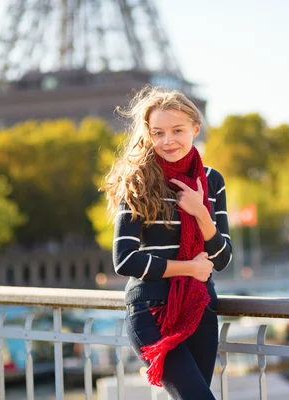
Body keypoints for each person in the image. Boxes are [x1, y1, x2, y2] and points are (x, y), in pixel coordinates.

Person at [102, 85, 232, 399]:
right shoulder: (138, 180)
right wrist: (189, 267)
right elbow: (124, 259)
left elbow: (224, 258)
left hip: (200, 306)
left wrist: (201, 213)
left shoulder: (212, 180)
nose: (168, 140)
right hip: (150, 311)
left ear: (195, 129)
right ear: (148, 134)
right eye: (158, 132)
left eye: (177, 130)